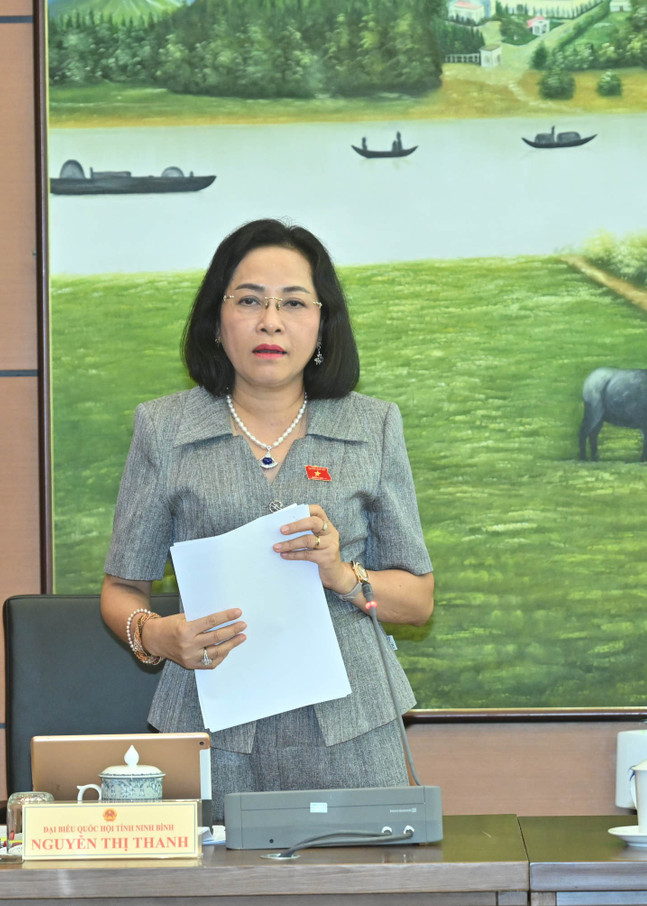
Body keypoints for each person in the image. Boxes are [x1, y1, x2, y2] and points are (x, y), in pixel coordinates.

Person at [100, 219, 434, 821]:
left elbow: (416, 601)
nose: (270, 321)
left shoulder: (374, 426)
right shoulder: (164, 429)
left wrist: (343, 574)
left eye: (294, 303)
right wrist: (158, 637)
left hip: (353, 729)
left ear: (322, 322)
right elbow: (123, 590)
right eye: (249, 300)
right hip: (210, 726)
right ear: (216, 319)